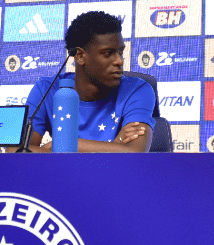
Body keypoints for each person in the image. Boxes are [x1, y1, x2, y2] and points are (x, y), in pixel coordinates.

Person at [22, 11, 156, 152]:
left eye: (120, 52)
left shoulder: (137, 90)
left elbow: (135, 153)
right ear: (80, 56)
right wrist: (115, 147)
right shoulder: (47, 89)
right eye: (108, 53)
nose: (119, 61)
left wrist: (59, 145)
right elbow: (16, 152)